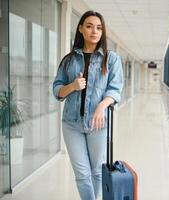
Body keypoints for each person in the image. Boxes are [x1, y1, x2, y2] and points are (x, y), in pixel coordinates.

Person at [52, 10, 123, 200]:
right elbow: (57, 90)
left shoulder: (112, 59)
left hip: (97, 124)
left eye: (99, 27)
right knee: (82, 174)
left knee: (97, 172)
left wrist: (101, 106)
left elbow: (115, 90)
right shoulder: (69, 60)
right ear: (81, 28)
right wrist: (73, 86)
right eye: (90, 26)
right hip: (71, 124)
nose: (94, 31)